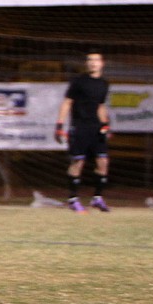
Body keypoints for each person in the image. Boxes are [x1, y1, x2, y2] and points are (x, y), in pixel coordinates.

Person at [54, 50, 111, 213]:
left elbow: (100, 106)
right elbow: (67, 103)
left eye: (96, 60)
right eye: (90, 60)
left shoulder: (104, 84)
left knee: (103, 162)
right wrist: (59, 125)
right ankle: (73, 199)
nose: (93, 63)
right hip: (80, 127)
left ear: (102, 63)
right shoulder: (78, 81)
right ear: (86, 63)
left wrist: (105, 124)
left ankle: (97, 198)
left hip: (96, 128)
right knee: (78, 162)